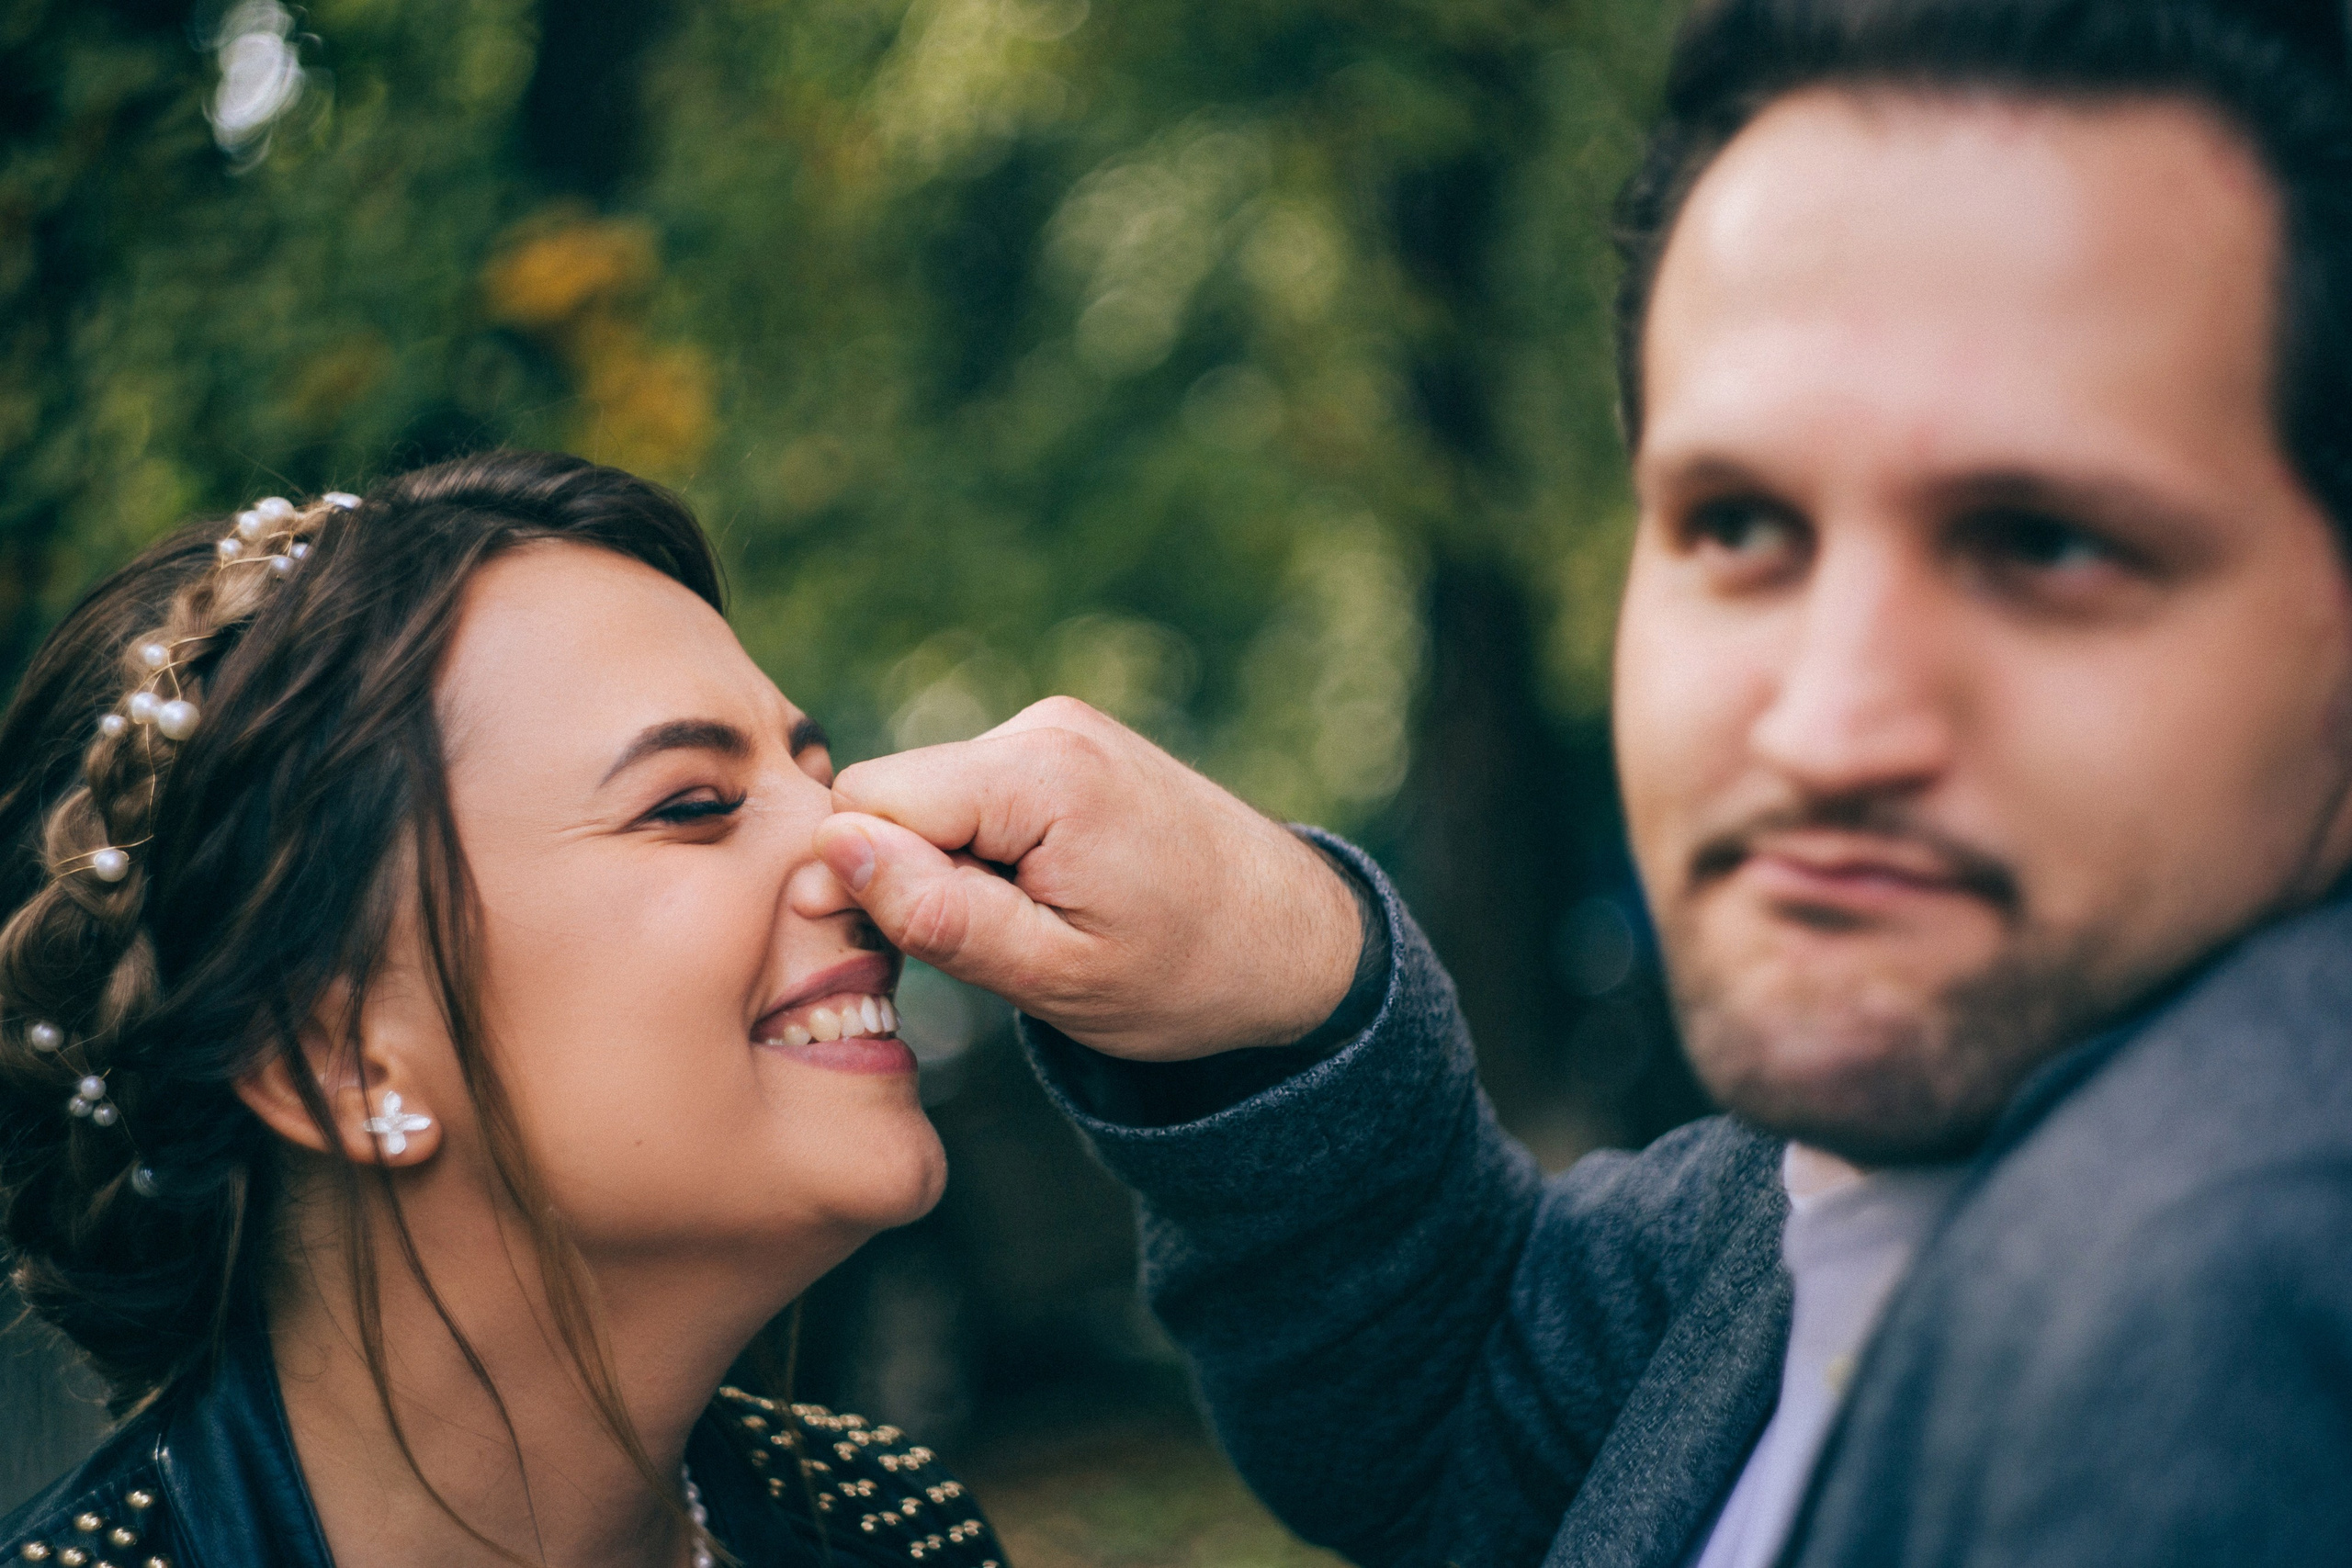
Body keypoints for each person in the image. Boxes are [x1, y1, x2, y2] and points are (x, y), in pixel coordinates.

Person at [805, 0, 2352, 1563]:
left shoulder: (2220, 1295)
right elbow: (1503, 1437)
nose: (1825, 723)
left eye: (2044, 543)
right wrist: (1290, 1004)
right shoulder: (1861, 1172)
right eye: (1739, 524)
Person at [0, 453, 1003, 1568]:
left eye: (823, 776)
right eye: (692, 805)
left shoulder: (896, 1529)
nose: (875, 851)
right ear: (332, 1059)